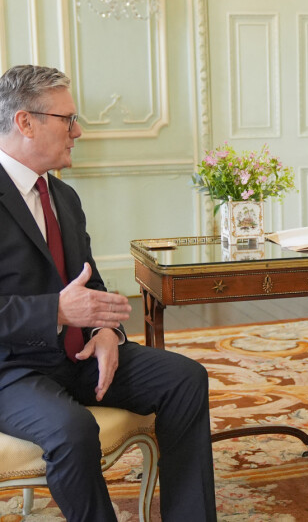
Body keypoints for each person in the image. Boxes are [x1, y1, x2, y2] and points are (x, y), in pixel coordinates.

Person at [0, 65, 217, 521]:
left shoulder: (64, 198)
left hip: (77, 357)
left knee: (185, 378)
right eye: (67, 119)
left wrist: (105, 332)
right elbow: (63, 303)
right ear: (25, 122)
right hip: (10, 370)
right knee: (73, 430)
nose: (77, 131)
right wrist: (56, 311)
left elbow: (90, 283)